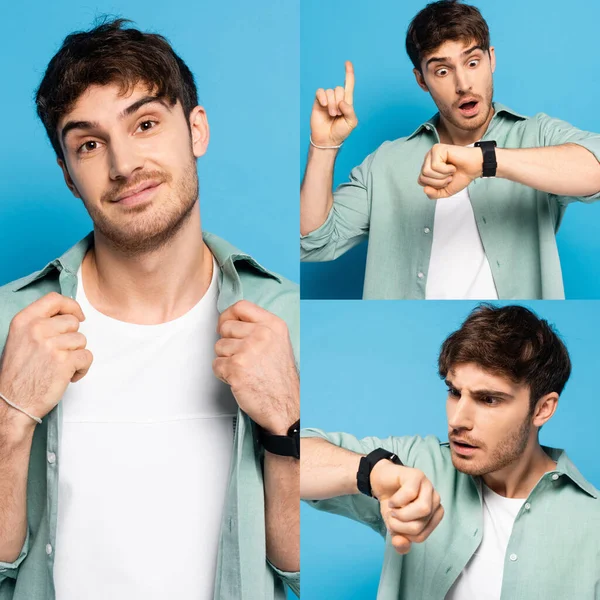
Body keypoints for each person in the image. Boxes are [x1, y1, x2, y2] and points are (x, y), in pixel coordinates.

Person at [0, 19, 299, 600]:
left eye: (144, 124)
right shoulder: (11, 325)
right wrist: (11, 420)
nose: (123, 165)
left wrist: (285, 427)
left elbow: (293, 572)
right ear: (67, 173)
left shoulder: (286, 318)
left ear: (196, 129)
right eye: (89, 143)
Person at [300, 0, 600, 300]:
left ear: (491, 59)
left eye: (472, 62)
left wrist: (486, 160)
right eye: (442, 71)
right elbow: (312, 241)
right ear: (422, 80)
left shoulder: (536, 135)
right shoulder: (385, 164)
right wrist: (324, 146)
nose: (463, 84)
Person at [301, 304, 600, 599]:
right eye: (455, 392)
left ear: (542, 409)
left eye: (489, 400)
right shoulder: (413, 465)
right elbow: (294, 456)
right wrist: (374, 473)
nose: (458, 420)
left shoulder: (592, 522)